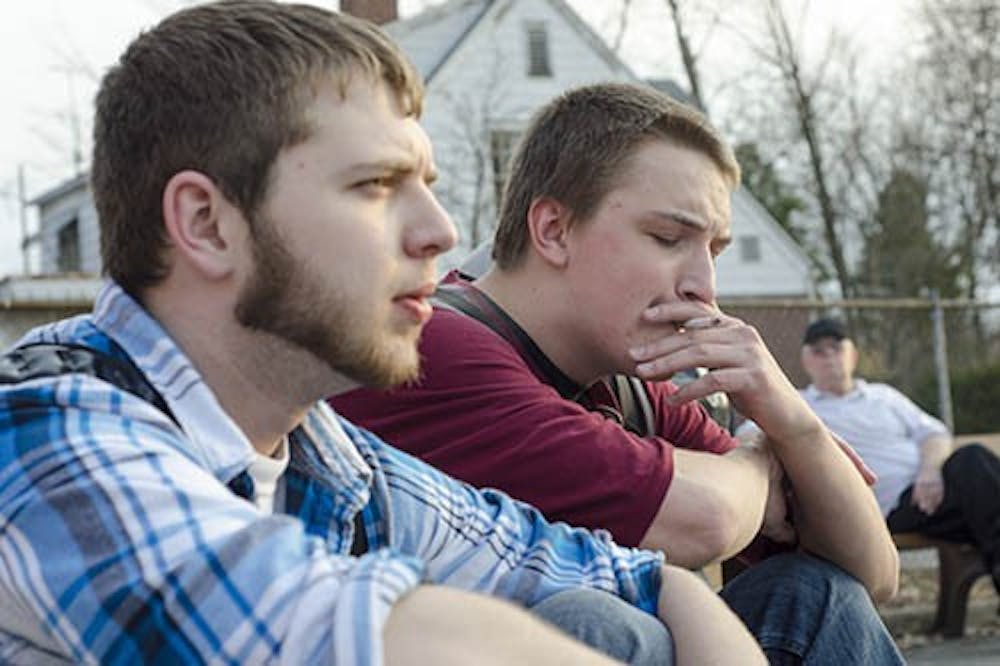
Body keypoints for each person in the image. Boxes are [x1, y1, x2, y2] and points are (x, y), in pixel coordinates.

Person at [0, 3, 766, 664]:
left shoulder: (334, 461)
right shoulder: (39, 440)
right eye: (374, 186)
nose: (439, 231)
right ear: (207, 224)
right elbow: (358, 636)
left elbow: (632, 573)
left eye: (425, 187)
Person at [332, 82, 906, 664]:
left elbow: (872, 573)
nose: (703, 286)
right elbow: (704, 520)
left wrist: (794, 422)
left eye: (715, 250)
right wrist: (759, 454)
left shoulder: (633, 380)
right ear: (553, 230)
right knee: (598, 622)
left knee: (813, 596)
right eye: (667, 238)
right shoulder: (433, 345)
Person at [794, 317, 1000, 593]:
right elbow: (750, 434)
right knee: (976, 468)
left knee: (975, 469)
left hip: (934, 489)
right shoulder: (798, 405)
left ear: (853, 355)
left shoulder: (883, 395)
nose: (829, 356)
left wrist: (929, 473)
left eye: (836, 347)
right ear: (805, 361)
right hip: (889, 508)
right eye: (818, 351)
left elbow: (934, 434)